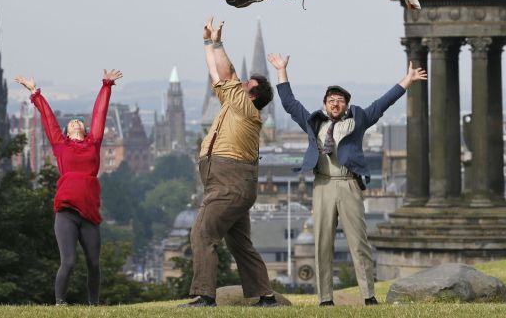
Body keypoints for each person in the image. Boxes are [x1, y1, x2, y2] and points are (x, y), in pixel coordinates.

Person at [266, 53, 427, 306]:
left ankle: (368, 295)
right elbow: (289, 103)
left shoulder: (359, 119)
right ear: (324, 104)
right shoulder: (313, 123)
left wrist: (406, 80)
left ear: (347, 105)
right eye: (331, 100)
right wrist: (281, 71)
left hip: (349, 182)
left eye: (340, 100)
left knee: (358, 241)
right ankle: (325, 298)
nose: (335, 104)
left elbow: (382, 103)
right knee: (322, 242)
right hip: (322, 184)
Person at [180, 17, 277, 308]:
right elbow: (217, 75)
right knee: (239, 244)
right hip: (229, 183)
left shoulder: (246, 108)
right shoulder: (235, 105)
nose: (239, 83)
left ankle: (205, 296)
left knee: (202, 234)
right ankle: (266, 296)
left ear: (253, 94)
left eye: (246, 84)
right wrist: (208, 43)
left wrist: (219, 42)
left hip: (228, 183)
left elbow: (228, 71)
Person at [14, 69, 123, 306]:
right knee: (69, 261)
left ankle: (94, 304)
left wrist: (106, 86)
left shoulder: (93, 144)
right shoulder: (60, 145)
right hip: (66, 213)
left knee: (94, 263)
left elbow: (99, 116)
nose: (75, 122)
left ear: (84, 130)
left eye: (78, 122)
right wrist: (35, 93)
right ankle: (60, 302)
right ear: (66, 131)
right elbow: (49, 119)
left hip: (89, 214)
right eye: (72, 122)